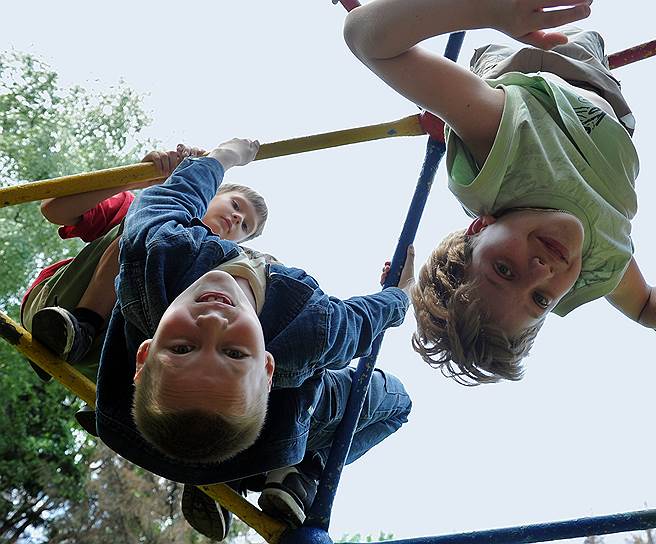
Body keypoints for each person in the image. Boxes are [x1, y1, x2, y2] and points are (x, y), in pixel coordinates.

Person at [344, 0, 656, 385]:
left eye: (504, 270)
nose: (540, 272)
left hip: (531, 62)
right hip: (597, 77)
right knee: (585, 35)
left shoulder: (502, 150)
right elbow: (645, 307)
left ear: (479, 227)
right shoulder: (597, 261)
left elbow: (365, 36)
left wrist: (485, 8)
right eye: (540, 299)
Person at [89, 138, 414, 538]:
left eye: (183, 347)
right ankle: (301, 473)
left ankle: (230, 475)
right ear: (267, 366)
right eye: (234, 352)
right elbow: (360, 322)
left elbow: (169, 198)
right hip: (287, 430)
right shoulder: (313, 327)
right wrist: (401, 293)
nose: (212, 321)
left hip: (155, 425)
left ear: (145, 355)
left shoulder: (161, 255)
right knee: (398, 401)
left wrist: (224, 157)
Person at [22, 145, 268, 380]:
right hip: (56, 306)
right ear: (209, 191)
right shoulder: (139, 210)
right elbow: (54, 208)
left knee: (220, 290)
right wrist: (137, 179)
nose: (237, 217)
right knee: (151, 228)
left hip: (104, 359)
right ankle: (85, 321)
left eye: (246, 226)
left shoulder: (214, 270)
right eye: (235, 205)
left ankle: (129, 392)